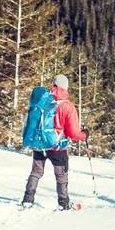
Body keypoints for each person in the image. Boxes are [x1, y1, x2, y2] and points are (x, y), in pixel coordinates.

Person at [21, 74, 89, 211]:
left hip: (40, 144)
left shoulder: (43, 101)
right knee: (61, 175)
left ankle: (27, 200)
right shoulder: (68, 106)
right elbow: (73, 133)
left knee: (36, 172)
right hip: (57, 147)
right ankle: (63, 203)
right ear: (66, 87)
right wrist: (85, 134)